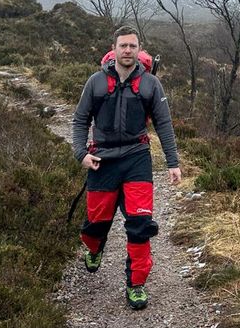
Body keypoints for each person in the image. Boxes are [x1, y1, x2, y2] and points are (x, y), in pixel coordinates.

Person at [72, 26, 181, 310]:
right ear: (115, 48)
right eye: (123, 46)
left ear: (138, 48)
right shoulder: (95, 82)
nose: (128, 51)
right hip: (102, 159)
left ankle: (136, 285)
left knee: (139, 224)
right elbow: (80, 119)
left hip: (137, 158)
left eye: (132, 46)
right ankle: (95, 247)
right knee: (96, 222)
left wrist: (173, 162)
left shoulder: (150, 84)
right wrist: (80, 153)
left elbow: (164, 124)